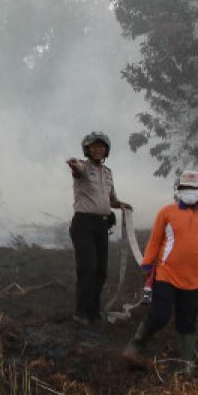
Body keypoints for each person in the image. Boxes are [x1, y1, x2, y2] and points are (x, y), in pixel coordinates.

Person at [122, 170, 198, 371]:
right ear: (179, 190)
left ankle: (187, 363)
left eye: (193, 188)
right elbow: (155, 240)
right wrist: (147, 264)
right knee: (159, 315)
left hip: (195, 280)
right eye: (185, 188)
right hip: (166, 275)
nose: (189, 192)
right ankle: (134, 348)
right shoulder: (167, 213)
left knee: (187, 321)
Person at [66, 132, 131, 324]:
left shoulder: (108, 173)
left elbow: (111, 200)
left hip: (102, 225)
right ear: (87, 149)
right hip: (83, 224)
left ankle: (94, 311)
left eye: (101, 147)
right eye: (93, 147)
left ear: (106, 150)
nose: (97, 150)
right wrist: (73, 164)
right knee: (88, 268)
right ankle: (81, 312)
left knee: (101, 271)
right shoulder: (83, 167)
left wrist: (122, 205)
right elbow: (77, 170)